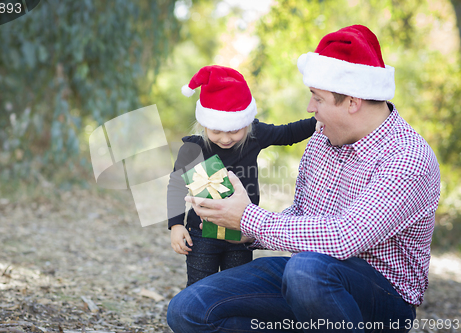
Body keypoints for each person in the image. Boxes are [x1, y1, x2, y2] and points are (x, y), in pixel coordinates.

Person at [167, 25, 441, 332]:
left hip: (381, 300)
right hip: (306, 283)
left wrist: (249, 219)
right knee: (188, 309)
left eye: (318, 99)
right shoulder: (324, 138)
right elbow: (302, 216)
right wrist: (241, 229)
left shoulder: (407, 157)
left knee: (306, 270)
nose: (311, 109)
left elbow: (344, 237)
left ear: (352, 102)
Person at [168, 65, 320, 287]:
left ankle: (231, 321)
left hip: (241, 232)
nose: (226, 138)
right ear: (204, 123)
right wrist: (175, 226)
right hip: (202, 234)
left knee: (235, 288)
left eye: (234, 130)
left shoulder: (254, 136)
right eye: (216, 131)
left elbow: (288, 133)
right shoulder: (193, 149)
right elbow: (176, 187)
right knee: (200, 287)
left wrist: (319, 122)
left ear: (246, 123)